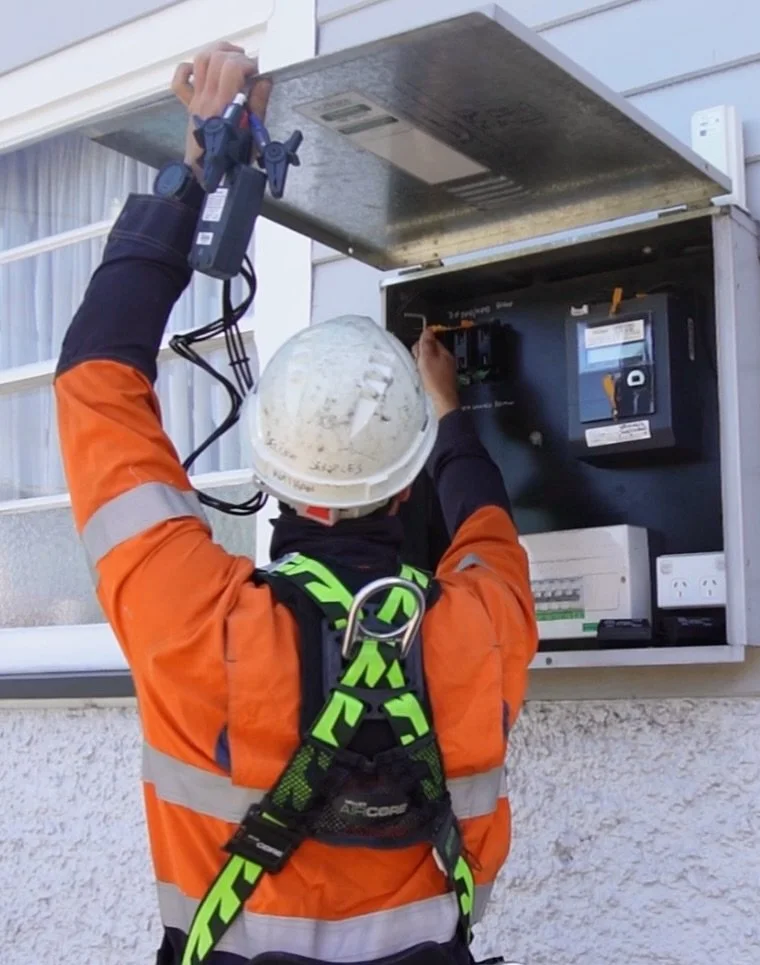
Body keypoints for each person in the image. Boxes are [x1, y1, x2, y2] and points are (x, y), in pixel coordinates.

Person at [55, 41, 538, 965]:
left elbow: (93, 383)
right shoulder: (482, 625)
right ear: (409, 476)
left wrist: (197, 173)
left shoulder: (199, 624)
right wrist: (448, 409)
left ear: (273, 470)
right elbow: (487, 529)